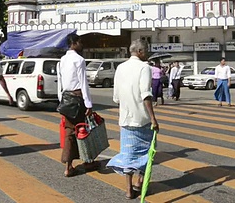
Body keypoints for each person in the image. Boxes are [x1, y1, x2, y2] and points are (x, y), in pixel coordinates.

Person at [107, 39, 160, 200]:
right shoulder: (145, 67)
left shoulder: (120, 67)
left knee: (128, 155)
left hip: (125, 119)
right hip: (142, 120)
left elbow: (116, 97)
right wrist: (153, 119)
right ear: (140, 52)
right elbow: (146, 95)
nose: (148, 54)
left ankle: (129, 189)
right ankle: (140, 183)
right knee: (146, 153)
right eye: (147, 50)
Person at [57, 33, 98, 177]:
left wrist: (60, 99)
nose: (82, 44)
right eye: (80, 42)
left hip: (66, 98)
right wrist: (89, 104)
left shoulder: (62, 60)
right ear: (74, 43)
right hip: (77, 98)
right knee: (83, 131)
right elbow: (83, 84)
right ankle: (88, 161)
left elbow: (60, 81)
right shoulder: (79, 60)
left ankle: (68, 166)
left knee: (69, 132)